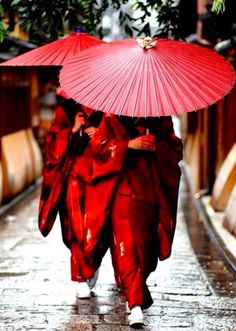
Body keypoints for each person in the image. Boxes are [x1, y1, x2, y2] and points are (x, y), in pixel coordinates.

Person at [85, 113, 183, 327]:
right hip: (122, 191)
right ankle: (135, 305)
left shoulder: (161, 121)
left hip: (150, 193)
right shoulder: (112, 119)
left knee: (145, 252)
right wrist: (129, 145)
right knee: (127, 246)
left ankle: (136, 292)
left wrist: (157, 147)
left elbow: (176, 150)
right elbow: (98, 146)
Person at [38, 95, 103, 298]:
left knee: (100, 228)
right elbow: (51, 142)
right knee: (75, 229)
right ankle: (80, 277)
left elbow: (118, 139)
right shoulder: (65, 110)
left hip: (101, 176)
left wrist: (101, 134)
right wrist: (73, 129)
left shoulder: (108, 109)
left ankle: (91, 264)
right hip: (73, 176)